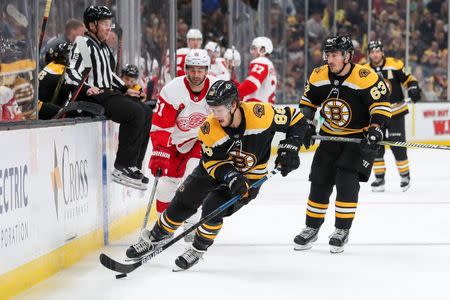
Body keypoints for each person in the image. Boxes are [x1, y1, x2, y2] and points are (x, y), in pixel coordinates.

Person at [128, 80, 311, 270]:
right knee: (183, 199)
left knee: (213, 206)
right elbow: (212, 162)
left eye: (219, 109)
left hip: (250, 177)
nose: (214, 115)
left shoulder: (260, 114)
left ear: (233, 105)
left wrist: (290, 146)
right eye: (212, 109)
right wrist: (232, 177)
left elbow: (295, 118)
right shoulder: (209, 128)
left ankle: (198, 249)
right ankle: (156, 236)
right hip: (214, 169)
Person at [294, 36, 391, 253]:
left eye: (335, 55)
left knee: (347, 181)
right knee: (320, 181)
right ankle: (311, 227)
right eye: (328, 55)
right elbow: (308, 102)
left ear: (348, 56)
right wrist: (307, 124)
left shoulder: (365, 76)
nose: (330, 59)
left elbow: (381, 105)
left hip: (358, 138)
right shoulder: (318, 75)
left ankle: (341, 230)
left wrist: (375, 128)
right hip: (329, 136)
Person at [65, 5, 152, 190]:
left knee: (145, 110)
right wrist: (87, 88)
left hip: (107, 93)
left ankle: (134, 164)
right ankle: (122, 166)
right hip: (93, 97)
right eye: (105, 23)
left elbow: (108, 74)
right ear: (92, 25)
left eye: (109, 23)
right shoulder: (83, 44)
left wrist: (125, 89)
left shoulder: (102, 47)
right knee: (135, 112)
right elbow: (71, 74)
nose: (108, 27)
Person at [364, 40, 421, 192]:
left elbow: (409, 79)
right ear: (369, 54)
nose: (375, 54)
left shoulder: (395, 64)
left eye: (377, 51)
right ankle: (379, 178)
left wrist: (414, 87)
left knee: (398, 146)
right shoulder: (364, 70)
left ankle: (404, 176)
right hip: (376, 115)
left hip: (396, 112)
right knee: (375, 146)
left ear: (382, 52)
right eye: (372, 52)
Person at [238, 36, 277, 104]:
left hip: (257, 108)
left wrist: (234, 94)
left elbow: (251, 84)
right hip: (265, 108)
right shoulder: (269, 64)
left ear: (262, 50)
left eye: (254, 49)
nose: (252, 52)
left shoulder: (261, 61)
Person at [38, 42, 72, 119]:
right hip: (41, 109)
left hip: (37, 105)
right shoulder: (62, 72)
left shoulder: (51, 65)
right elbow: (68, 96)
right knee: (68, 112)